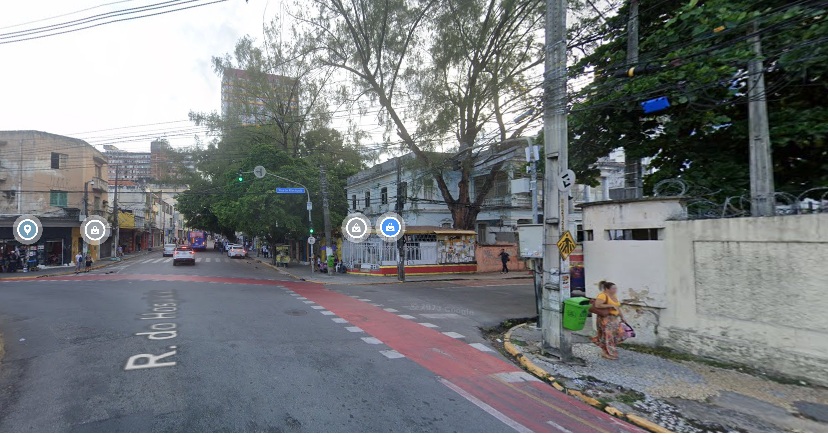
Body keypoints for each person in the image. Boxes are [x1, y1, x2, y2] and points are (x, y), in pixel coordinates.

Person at [591, 280, 627, 360]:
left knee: (619, 334)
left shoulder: (614, 296)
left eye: (616, 288)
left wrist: (622, 317)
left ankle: (606, 349)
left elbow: (617, 307)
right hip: (605, 318)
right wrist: (610, 305)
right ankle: (607, 352)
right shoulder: (602, 295)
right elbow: (597, 305)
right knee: (608, 336)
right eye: (613, 288)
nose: (615, 290)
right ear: (607, 289)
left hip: (614, 318)